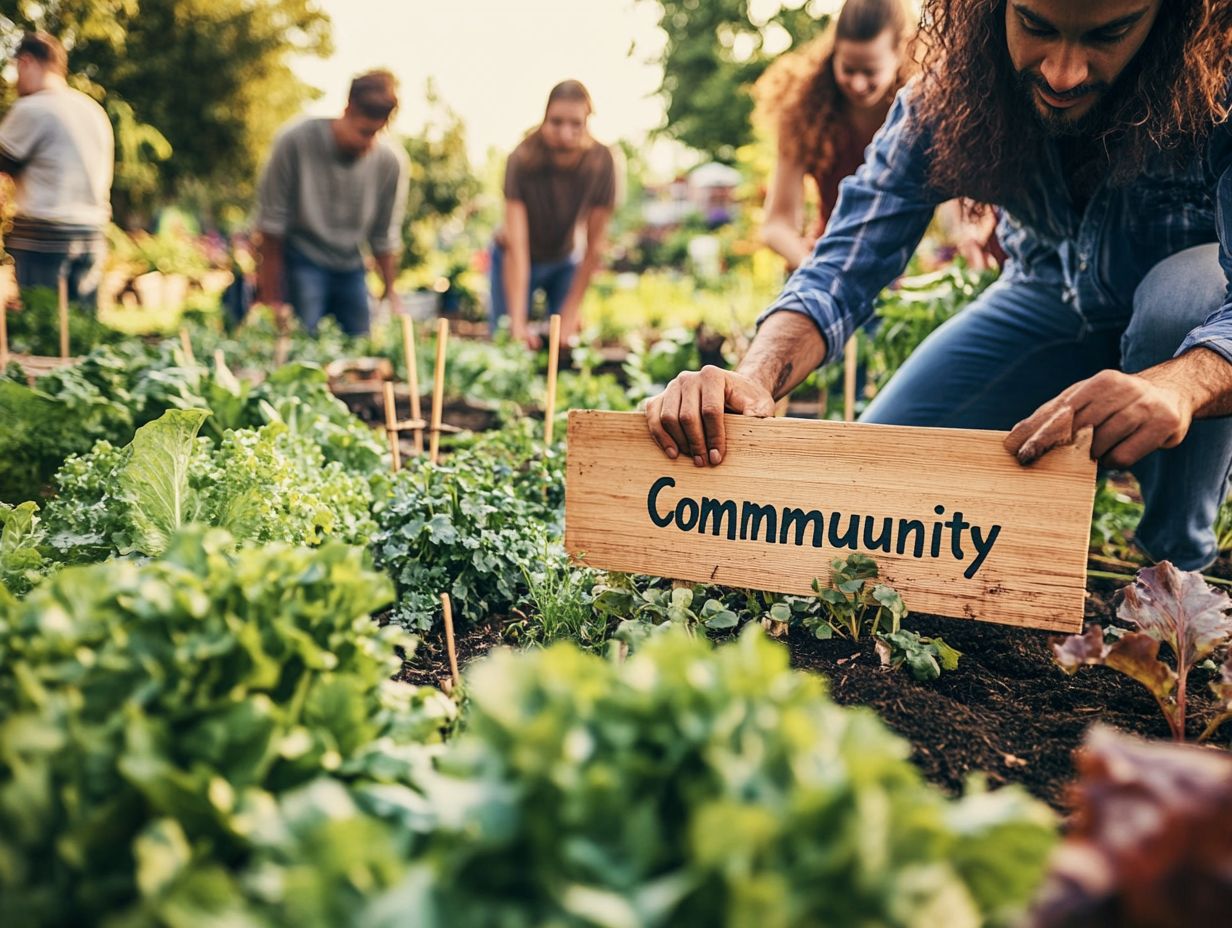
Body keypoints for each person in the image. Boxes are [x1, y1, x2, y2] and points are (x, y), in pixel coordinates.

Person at [646, 0, 1232, 573]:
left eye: (1109, 34)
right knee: (863, 497)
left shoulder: (1218, 88)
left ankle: (1176, 572)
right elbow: (843, 263)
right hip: (1048, 296)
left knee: (1178, 303)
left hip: (1186, 321)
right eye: (1035, 25)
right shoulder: (953, 95)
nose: (1062, 72)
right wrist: (753, 377)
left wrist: (1184, 382)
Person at [255, 69, 408, 336]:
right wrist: (272, 300)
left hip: (351, 266)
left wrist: (391, 291)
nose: (369, 143)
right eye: (363, 132)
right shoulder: (295, 141)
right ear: (347, 109)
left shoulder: (390, 162)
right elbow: (271, 226)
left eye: (377, 133)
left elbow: (383, 235)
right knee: (303, 341)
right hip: (302, 259)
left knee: (359, 343)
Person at [491, 80, 615, 349]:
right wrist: (518, 322)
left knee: (564, 342)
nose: (565, 133)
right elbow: (517, 246)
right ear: (544, 118)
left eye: (576, 124)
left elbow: (595, 246)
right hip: (517, 256)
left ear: (587, 122)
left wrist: (570, 313)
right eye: (556, 122)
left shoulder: (601, 162)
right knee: (509, 343)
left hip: (565, 259)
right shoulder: (522, 158)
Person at [0, 32, 114, 311]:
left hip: (45, 237)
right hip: (92, 235)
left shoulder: (34, 108)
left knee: (43, 325)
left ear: (25, 62)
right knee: (79, 332)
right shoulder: (92, 110)